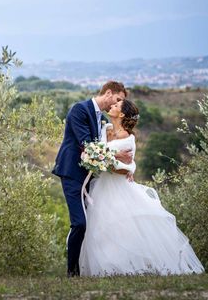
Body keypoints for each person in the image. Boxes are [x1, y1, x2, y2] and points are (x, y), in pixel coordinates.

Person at [79, 99, 204, 276]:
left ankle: (127, 267)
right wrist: (98, 157)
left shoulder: (128, 139)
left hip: (119, 188)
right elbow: (97, 149)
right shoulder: (105, 129)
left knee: (122, 227)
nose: (112, 106)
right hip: (102, 186)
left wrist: (105, 160)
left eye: (116, 106)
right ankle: (107, 269)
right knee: (102, 228)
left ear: (121, 114)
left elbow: (125, 169)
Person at [52, 81, 132, 277]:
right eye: (118, 99)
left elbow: (98, 149)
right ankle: (72, 272)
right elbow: (88, 146)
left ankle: (87, 269)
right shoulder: (79, 110)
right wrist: (116, 157)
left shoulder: (100, 118)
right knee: (79, 223)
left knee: (92, 223)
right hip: (72, 172)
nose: (118, 103)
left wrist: (125, 167)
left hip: (89, 176)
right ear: (109, 93)